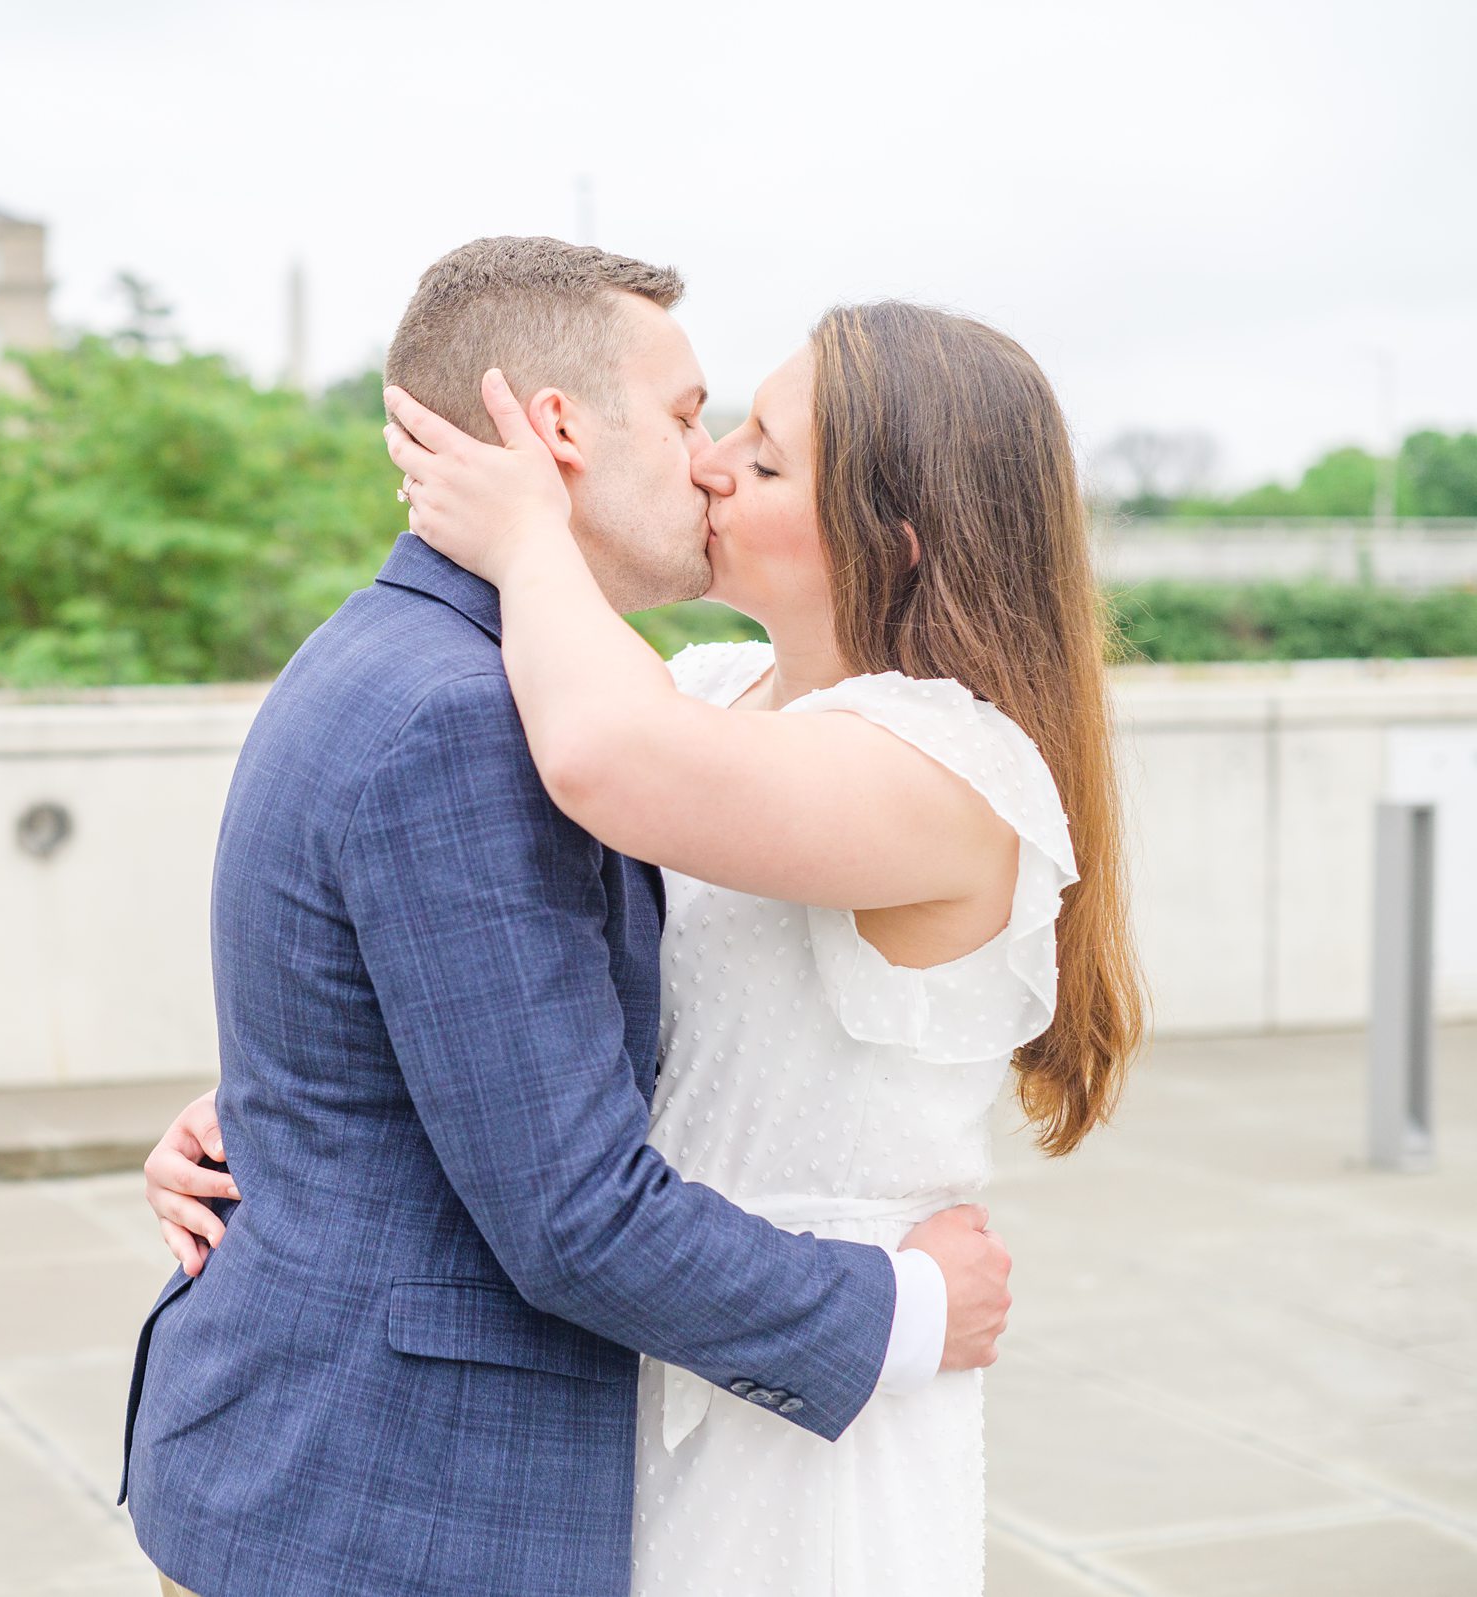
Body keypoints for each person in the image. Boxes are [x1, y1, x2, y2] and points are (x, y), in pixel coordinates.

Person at [120, 239, 1030, 1597]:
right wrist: (291, 1092)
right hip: (392, 1497)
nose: (712, 460)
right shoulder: (481, 713)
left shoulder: (540, 686)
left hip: (667, 1410)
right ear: (555, 431)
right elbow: (568, 1208)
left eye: (755, 451)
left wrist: (320, 1088)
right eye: (686, 419)